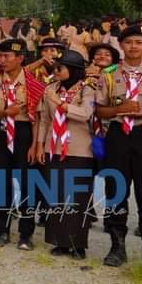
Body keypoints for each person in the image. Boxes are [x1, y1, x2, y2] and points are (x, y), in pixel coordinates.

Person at [99, 26, 142, 270]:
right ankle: (117, 247)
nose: (133, 46)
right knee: (116, 190)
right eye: (128, 42)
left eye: (138, 42)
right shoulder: (108, 74)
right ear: (122, 45)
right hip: (118, 135)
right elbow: (100, 110)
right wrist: (118, 110)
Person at [34, 50, 96, 259]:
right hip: (54, 146)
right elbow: (44, 119)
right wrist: (40, 145)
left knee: (77, 197)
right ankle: (59, 241)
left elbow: (85, 114)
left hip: (79, 149)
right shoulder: (51, 88)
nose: (56, 71)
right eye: (56, 67)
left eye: (61, 68)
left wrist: (61, 103)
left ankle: (78, 244)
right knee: (56, 195)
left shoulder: (87, 90)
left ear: (75, 71)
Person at [0, 39, 45, 250]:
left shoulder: (33, 84)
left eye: (6, 56)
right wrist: (4, 113)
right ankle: (2, 230)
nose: (2, 60)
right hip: (1, 133)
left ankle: (26, 234)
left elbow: (38, 117)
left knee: (27, 183)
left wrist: (35, 145)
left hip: (24, 134)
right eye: (0, 55)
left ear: (20, 58)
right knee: (2, 182)